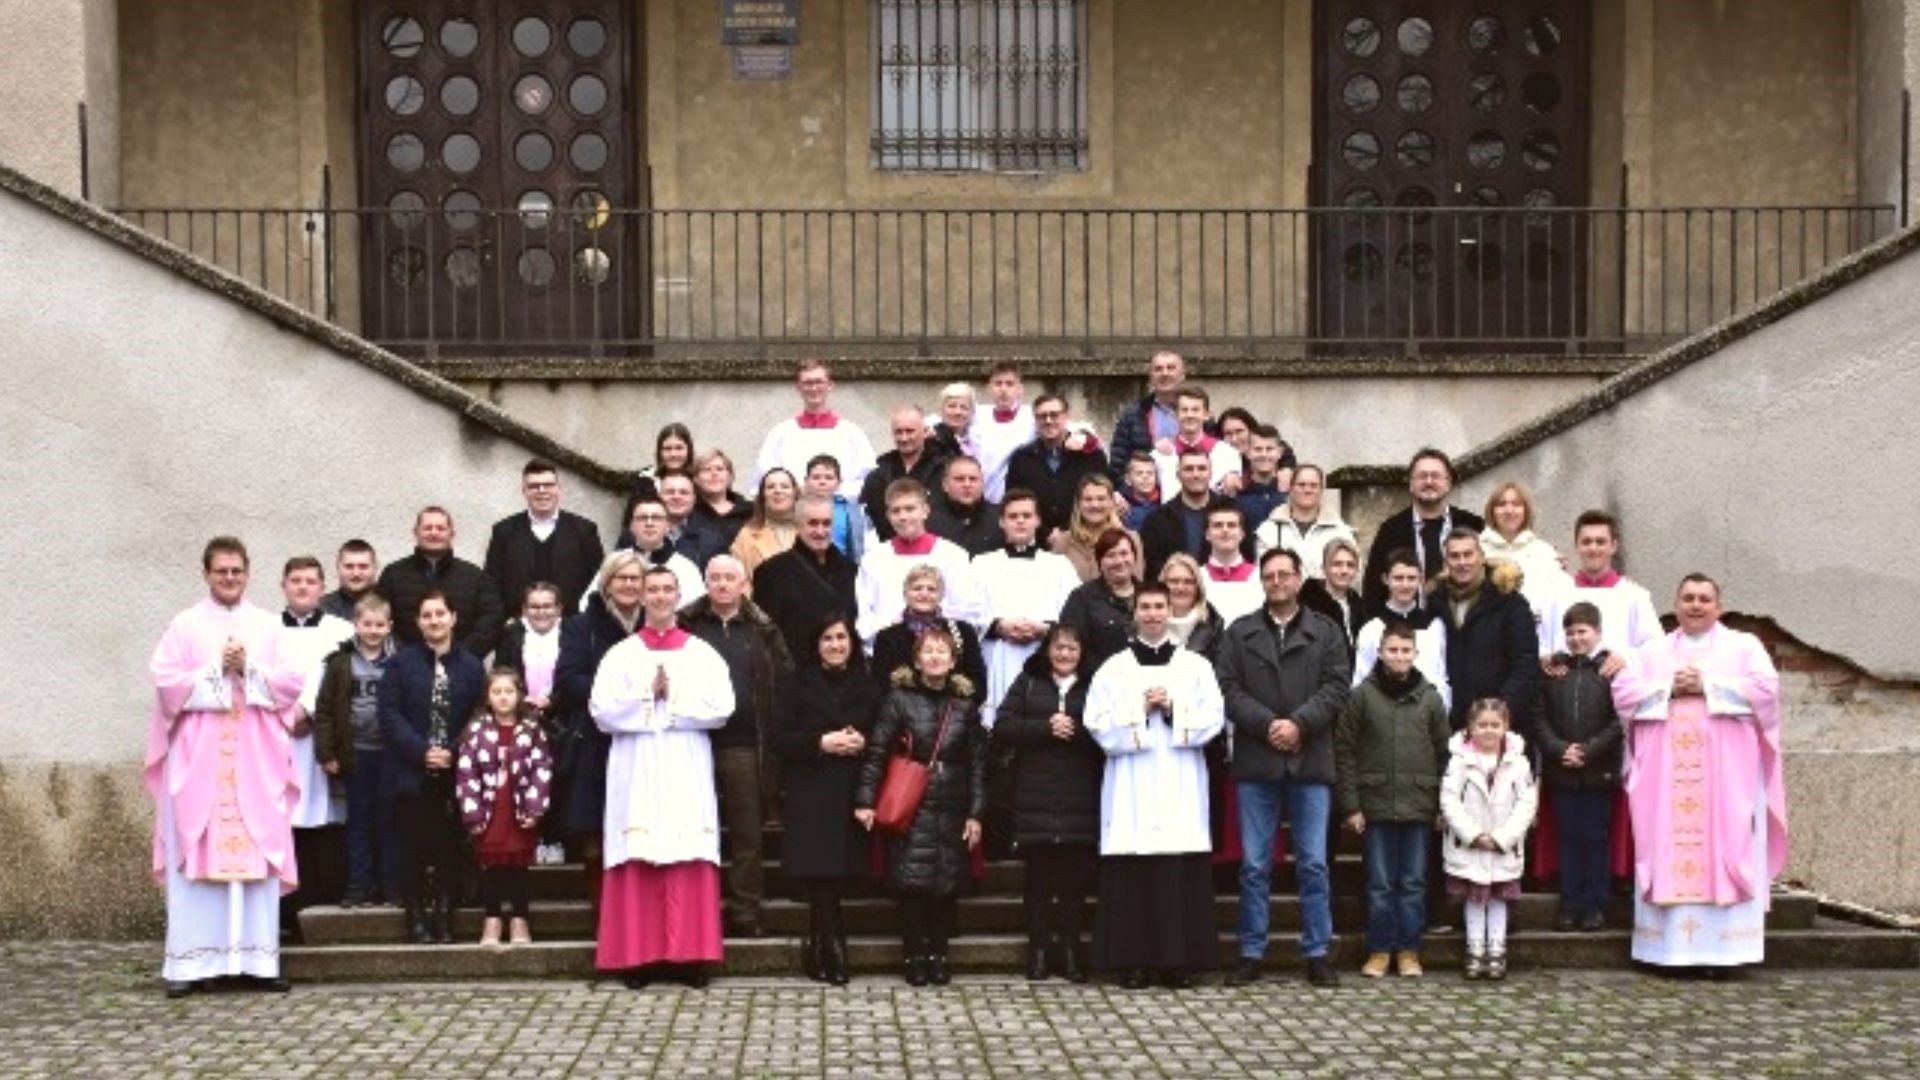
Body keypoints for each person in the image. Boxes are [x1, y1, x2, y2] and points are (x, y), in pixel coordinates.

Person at [146, 536, 305, 998]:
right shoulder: (185, 625)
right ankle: (191, 965)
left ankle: (255, 962)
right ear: (207, 574)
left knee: (255, 855)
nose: (230, 578)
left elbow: (292, 683)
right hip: (200, 766)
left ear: (248, 573)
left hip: (255, 764)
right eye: (221, 571)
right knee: (196, 860)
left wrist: (250, 668)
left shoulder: (268, 626)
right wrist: (217, 669)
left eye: (237, 571)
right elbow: (165, 684)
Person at [1610, 574, 1785, 972]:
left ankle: (1725, 951)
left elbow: (1766, 691)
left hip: (1726, 778)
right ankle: (1667, 950)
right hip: (1664, 778)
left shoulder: (1744, 646)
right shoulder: (1651, 651)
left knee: (1725, 843)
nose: (1695, 605)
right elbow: (1622, 692)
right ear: (1676, 605)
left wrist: (1709, 685)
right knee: (1667, 846)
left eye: (1704, 599)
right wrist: (1668, 689)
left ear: (1718, 607)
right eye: (1688, 598)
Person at [590, 565, 736, 989]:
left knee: (686, 847)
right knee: (639, 850)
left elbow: (722, 707)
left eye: (666, 589)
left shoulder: (701, 653)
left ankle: (690, 957)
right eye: (651, 589)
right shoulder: (621, 654)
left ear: (678, 596)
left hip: (684, 762)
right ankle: (638, 957)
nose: (658, 597)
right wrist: (645, 697)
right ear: (641, 597)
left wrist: (671, 698)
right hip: (636, 766)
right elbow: (601, 711)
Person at [1216, 548, 1353, 988]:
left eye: (1285, 575)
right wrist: (1267, 724)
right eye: (1269, 575)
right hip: (1258, 762)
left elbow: (1337, 686)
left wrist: (1299, 723)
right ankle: (1251, 950)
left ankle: (1317, 952)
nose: (1277, 582)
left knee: (1313, 863)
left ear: (1299, 579)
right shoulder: (1240, 633)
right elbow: (1227, 687)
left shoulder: (1326, 632)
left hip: (1310, 760)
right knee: (1255, 865)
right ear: (1262, 581)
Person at [1083, 582, 1226, 990]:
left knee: (1176, 870)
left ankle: (1179, 962)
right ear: (1134, 613)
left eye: (1159, 606)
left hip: (1180, 780)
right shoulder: (1114, 668)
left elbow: (1214, 719)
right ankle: (1134, 962)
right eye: (1144, 607)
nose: (1151, 614)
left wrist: (1174, 708)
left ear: (1170, 610)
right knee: (1134, 870)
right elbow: (1096, 723)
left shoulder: (1195, 667)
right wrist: (1139, 710)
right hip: (1131, 785)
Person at [854, 630, 987, 987]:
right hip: (912, 802)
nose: (934, 657)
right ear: (916, 659)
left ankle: (939, 956)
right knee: (912, 885)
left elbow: (977, 763)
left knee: (945, 885)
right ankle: (914, 956)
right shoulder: (898, 700)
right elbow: (877, 752)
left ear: (953, 660)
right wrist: (865, 800)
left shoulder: (965, 705)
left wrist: (976, 813)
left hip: (953, 802)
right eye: (928, 651)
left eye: (941, 651)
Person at [680, 555, 796, 938]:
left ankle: (745, 910)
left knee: (748, 835)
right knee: (695, 831)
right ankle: (696, 912)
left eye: (730, 578)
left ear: (744, 583)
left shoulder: (763, 628)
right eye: (715, 578)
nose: (723, 585)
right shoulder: (688, 625)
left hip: (746, 745)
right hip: (695, 741)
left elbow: (784, 682)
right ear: (706, 583)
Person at [1335, 623, 1452, 978]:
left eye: (1405, 650)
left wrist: (1442, 807)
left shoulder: (1430, 698)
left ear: (1415, 654)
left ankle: (1409, 949)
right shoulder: (1361, 696)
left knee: (1414, 881)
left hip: (1419, 805)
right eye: (1392, 650)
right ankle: (1379, 949)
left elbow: (1446, 754)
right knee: (1380, 883)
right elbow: (1345, 751)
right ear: (1380, 652)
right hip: (1375, 805)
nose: (1399, 657)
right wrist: (1351, 805)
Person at [770, 615, 880, 985]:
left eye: (842, 638)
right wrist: (821, 742)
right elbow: (780, 736)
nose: (836, 645)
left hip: (853, 786)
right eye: (828, 638)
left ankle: (823, 947)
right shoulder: (796, 683)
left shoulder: (868, 684)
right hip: (811, 786)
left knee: (838, 873)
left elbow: (883, 729)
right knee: (820, 874)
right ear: (816, 645)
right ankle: (831, 949)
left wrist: (863, 740)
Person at [994, 624, 1102, 982]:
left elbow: (1111, 730)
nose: (1065, 654)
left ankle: (1070, 951)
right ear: (1046, 651)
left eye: (1072, 648)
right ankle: (1038, 950)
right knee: (1038, 882)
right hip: (1035, 796)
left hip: (1079, 796)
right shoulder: (1028, 682)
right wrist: (1044, 727)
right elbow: (1003, 725)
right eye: (1058, 648)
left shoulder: (1094, 685)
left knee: (1073, 884)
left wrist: (1077, 728)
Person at [377, 590, 486, 944]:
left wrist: (453, 751)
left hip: (455, 772)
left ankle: (444, 915)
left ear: (453, 617)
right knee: (411, 846)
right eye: (427, 615)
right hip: (411, 771)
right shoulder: (399, 664)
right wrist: (422, 751)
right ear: (418, 622)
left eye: (441, 613)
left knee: (448, 848)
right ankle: (416, 916)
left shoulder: (471, 665)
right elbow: (389, 715)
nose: (434, 621)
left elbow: (478, 715)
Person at [551, 553, 647, 915]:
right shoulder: (580, 626)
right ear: (606, 583)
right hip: (594, 739)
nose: (628, 585)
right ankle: (603, 911)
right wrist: (619, 693)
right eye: (621, 578)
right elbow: (569, 679)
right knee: (595, 833)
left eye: (635, 579)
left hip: (640, 739)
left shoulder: (654, 624)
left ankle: (636, 911)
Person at [1533, 601, 1623, 932]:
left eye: (1582, 631)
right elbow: (1539, 716)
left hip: (1598, 771)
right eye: (1570, 632)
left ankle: (1596, 903)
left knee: (1595, 838)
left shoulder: (1609, 672)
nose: (1576, 638)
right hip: (1563, 771)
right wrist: (1559, 750)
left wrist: (1588, 750)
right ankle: (1570, 903)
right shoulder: (1555, 673)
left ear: (1597, 633)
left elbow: (1618, 720)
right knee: (1569, 838)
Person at [279, 557, 354, 934]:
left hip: (323, 739)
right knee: (285, 821)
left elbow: (337, 677)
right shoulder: (266, 630)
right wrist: (285, 717)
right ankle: (287, 914)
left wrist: (308, 711)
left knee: (326, 820)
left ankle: (326, 906)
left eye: (311, 581)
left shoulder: (341, 630)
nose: (303, 587)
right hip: (278, 740)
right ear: (284, 587)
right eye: (296, 581)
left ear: (322, 587)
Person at [311, 593, 399, 909]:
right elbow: (324, 712)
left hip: (390, 757)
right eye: (367, 624)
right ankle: (359, 887)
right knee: (359, 822)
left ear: (389, 626)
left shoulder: (400, 661)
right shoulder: (339, 663)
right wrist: (326, 753)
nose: (373, 630)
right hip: (355, 755)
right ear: (355, 624)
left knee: (389, 822)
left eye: (379, 624)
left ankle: (391, 887)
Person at [1440, 699, 1538, 980]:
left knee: (1498, 899)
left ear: (1506, 727)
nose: (1488, 731)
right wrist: (1473, 835)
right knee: (1474, 899)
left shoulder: (1518, 763)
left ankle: (1496, 948)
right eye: (1482, 725)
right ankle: (1475, 947)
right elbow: (1449, 800)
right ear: (1470, 728)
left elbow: (1526, 803)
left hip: (1503, 846)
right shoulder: (1459, 761)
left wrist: (1502, 837)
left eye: (1495, 725)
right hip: (1471, 845)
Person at [455, 667, 553, 947]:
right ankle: (493, 918)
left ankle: (520, 918)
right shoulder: (476, 731)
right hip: (489, 809)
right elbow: (466, 772)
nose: (503, 697)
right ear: (487, 696)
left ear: (519, 694)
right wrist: (471, 811)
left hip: (518, 806)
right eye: (496, 692)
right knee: (493, 866)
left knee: (518, 866)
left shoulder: (532, 729)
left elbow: (542, 768)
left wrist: (535, 807)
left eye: (509, 691)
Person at [971, 490, 1081, 726]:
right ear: (1001, 521)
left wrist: (1045, 629)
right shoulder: (982, 564)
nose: (1020, 521)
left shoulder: (1059, 565)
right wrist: (999, 626)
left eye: (1026, 515)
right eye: (1013, 516)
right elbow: (970, 611)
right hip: (997, 656)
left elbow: (1074, 614)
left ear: (1038, 520)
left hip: (1045, 655)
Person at [854, 479, 982, 647]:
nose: (903, 517)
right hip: (890, 650)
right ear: (888, 516)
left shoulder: (952, 556)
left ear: (925, 511)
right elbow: (864, 616)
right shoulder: (873, 559)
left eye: (910, 509)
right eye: (896, 511)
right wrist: (894, 624)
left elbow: (969, 612)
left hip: (940, 653)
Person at [1435, 530, 1539, 733]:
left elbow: (1525, 663)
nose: (1462, 562)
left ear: (1482, 557)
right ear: (1446, 561)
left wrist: (1500, 710)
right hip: (1451, 722)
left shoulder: (1510, 602)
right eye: (1454, 556)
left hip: (1499, 724)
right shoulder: (1436, 603)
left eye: (1468, 554)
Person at [1363, 449, 1486, 612]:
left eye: (1436, 476)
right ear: (1411, 485)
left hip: (1461, 628)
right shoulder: (1390, 530)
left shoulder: (1473, 525)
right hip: (1406, 630)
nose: (1429, 481)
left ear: (1448, 483)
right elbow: (1373, 588)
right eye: (1422, 476)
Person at [1535, 510, 1664, 660]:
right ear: (1577, 546)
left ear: (1614, 546)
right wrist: (1544, 657)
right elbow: (1539, 643)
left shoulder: (1635, 597)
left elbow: (1656, 647)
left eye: (1600, 542)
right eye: (1586, 542)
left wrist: (1626, 658)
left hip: (1620, 681)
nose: (1593, 548)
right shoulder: (1554, 596)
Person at [378, 506, 505, 658]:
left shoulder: (475, 577)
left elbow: (491, 621)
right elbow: (380, 619)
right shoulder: (393, 574)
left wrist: (462, 657)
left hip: (462, 669)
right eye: (427, 528)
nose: (434, 533)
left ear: (451, 534)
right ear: (416, 533)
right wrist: (407, 658)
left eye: (440, 528)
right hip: (405, 670)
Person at [484, 458, 607, 614]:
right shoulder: (503, 532)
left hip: (571, 627)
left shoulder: (585, 531)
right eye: (534, 486)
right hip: (518, 628)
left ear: (558, 489)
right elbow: (491, 586)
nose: (542, 490)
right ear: (524, 491)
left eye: (548, 485)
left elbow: (599, 583)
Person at [753, 493, 861, 660]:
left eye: (826, 523)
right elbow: (767, 637)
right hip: (797, 676)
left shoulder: (851, 570)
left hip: (846, 673)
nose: (820, 531)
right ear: (797, 525)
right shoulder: (771, 573)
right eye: (812, 523)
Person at [754, 359, 878, 497]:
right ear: (798, 387)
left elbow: (868, 479)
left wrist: (836, 491)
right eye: (807, 383)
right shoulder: (781, 434)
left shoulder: (851, 433)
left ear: (830, 385)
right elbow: (765, 476)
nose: (813, 388)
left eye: (819, 382)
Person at [869, 565, 989, 702]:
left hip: (954, 716)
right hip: (903, 719)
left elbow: (979, 685)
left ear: (941, 595)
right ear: (905, 593)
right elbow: (880, 687)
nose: (924, 594)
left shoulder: (964, 633)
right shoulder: (888, 637)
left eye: (931, 589)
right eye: (917, 588)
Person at [1354, 549, 1452, 713]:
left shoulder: (1435, 626)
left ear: (1421, 580)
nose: (1405, 585)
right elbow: (1361, 681)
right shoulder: (1371, 629)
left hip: (1426, 718)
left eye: (1411, 578)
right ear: (1386, 579)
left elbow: (1441, 678)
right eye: (1398, 578)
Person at [1004, 393, 1105, 545]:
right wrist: (1045, 534)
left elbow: (1104, 497)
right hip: (1037, 544)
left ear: (1066, 417)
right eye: (1042, 416)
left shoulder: (1091, 455)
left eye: (1054, 415)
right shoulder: (1021, 459)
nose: (1048, 421)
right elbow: (1013, 502)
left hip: (1084, 541)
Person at [860, 404, 950, 543]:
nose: (904, 438)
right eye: (898, 432)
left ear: (924, 431)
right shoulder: (878, 475)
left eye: (910, 431)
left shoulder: (946, 470)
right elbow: (870, 522)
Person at [1478, 480, 1569, 616]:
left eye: (1516, 504)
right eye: (1501, 504)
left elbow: (1560, 598)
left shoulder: (1544, 552)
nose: (1509, 511)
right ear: (1492, 511)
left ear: (1526, 510)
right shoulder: (1474, 550)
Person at [1253, 464, 1356, 581]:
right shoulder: (1269, 531)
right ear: (1291, 488)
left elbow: (1351, 576)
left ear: (1322, 490)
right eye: (1301, 485)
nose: (1307, 490)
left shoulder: (1341, 532)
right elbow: (1263, 575)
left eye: (1314, 486)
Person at [600, 496, 704, 610]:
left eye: (656, 518)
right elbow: (589, 605)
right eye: (642, 518)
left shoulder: (686, 569)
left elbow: (696, 614)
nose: (649, 523)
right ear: (631, 526)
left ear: (668, 526)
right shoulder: (614, 563)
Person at [1058, 529, 1143, 669]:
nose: (1119, 561)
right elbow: (1071, 644)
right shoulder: (1082, 597)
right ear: (1100, 562)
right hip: (1097, 681)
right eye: (1110, 555)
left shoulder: (1149, 594)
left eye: (1124, 553)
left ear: (1134, 556)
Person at [1139, 449, 1226, 580]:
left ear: (1210, 473)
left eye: (1202, 468)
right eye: (1188, 469)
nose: (1195, 474)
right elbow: (1152, 567)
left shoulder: (1231, 513)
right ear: (1178, 475)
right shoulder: (1157, 519)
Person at [1108, 349, 1188, 477]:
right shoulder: (1132, 416)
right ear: (1151, 377)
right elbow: (1118, 463)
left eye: (1171, 368)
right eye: (1158, 369)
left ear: (1182, 375)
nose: (1165, 373)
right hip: (1145, 492)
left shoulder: (1197, 413)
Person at [617, 423, 695, 546]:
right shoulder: (645, 481)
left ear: (689, 450)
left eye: (679, 448)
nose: (673, 454)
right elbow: (631, 523)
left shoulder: (698, 480)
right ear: (659, 452)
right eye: (667, 449)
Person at [1049, 473, 1135, 583]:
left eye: (1101, 499)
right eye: (1088, 499)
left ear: (1111, 502)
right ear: (1079, 503)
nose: (1095, 505)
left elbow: (1136, 585)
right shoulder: (1062, 542)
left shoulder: (1130, 539)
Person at [971, 362, 1033, 502]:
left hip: (1015, 498)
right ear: (989, 388)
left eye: (1010, 384)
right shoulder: (976, 415)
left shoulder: (1032, 416)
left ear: (1020, 389)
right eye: (998, 383)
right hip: (980, 496)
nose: (1003, 389)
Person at [728, 467, 801, 580]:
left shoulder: (811, 531)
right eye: (771, 487)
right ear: (763, 496)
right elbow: (740, 582)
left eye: (785, 486)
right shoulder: (746, 536)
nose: (778, 491)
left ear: (795, 493)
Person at [1300, 537, 1367, 654]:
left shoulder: (1359, 606)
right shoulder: (1308, 606)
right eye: (1337, 564)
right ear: (1324, 568)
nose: (1344, 570)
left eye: (1350, 565)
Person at [927, 455, 1004, 556]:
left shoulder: (1000, 518)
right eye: (959, 479)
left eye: (973, 479)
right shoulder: (928, 519)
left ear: (982, 483)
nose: (967, 484)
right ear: (945, 485)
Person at [1200, 504, 1261, 624]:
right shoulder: (1196, 577)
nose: (1225, 530)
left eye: (1232, 525)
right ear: (1207, 534)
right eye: (1218, 525)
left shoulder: (1260, 577)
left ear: (1242, 534)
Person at [802, 454, 868, 562]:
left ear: (839, 482)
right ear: (806, 480)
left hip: (842, 570)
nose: (822, 482)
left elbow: (857, 546)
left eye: (829, 477)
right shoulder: (796, 509)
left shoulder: (851, 511)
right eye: (816, 477)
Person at [1159, 554, 1226, 659]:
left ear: (1198, 588)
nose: (1181, 588)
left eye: (1188, 582)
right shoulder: (1145, 623)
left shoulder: (1214, 628)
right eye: (1174, 581)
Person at [659, 471, 726, 569]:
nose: (676, 497)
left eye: (684, 493)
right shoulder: (638, 536)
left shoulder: (712, 542)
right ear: (659, 497)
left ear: (694, 499)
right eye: (670, 492)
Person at [691, 449, 754, 553]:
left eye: (720, 469)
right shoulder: (690, 512)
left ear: (730, 477)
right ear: (696, 479)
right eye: (706, 470)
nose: (714, 473)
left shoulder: (750, 512)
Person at [1235, 423, 1294, 526]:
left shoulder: (1293, 494)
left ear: (1279, 452)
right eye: (1258, 449)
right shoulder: (1238, 497)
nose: (1264, 454)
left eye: (1269, 449)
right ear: (1248, 453)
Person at [320, 539, 380, 621]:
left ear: (375, 568)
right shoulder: (321, 609)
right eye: (349, 566)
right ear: (338, 568)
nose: (356, 573)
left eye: (363, 566)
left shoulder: (392, 605)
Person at [929, 381, 978, 460]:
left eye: (963, 407)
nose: (957, 412)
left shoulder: (976, 440)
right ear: (941, 409)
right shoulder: (933, 440)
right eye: (952, 406)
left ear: (972, 412)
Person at [1117, 453, 1161, 531]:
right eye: (1139, 473)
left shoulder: (1164, 502)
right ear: (1128, 479)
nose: (1145, 477)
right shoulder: (1121, 504)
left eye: (1150, 473)